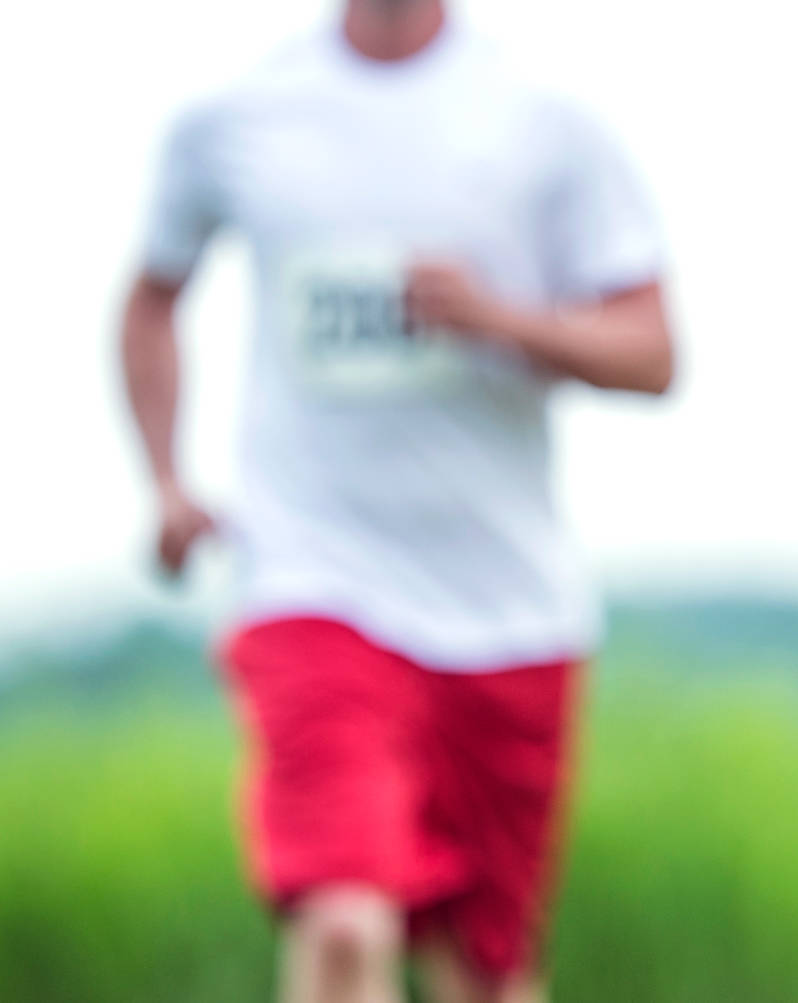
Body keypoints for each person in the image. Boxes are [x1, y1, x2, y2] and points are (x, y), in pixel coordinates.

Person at [118, 1, 673, 1000]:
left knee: (489, 976)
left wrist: (497, 319)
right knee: (342, 918)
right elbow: (153, 296)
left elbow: (652, 348)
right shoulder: (240, 114)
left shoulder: (541, 118)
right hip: (310, 575)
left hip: (506, 608)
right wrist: (165, 478)